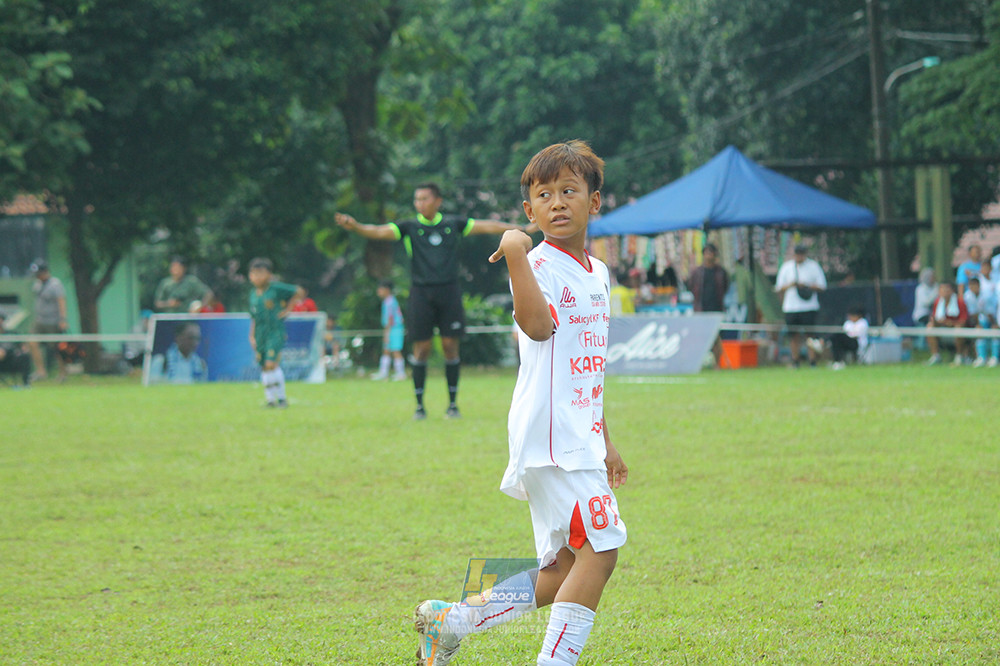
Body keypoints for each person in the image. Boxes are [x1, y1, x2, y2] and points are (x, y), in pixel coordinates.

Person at [413, 140, 629, 666]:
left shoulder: (598, 274)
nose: (557, 202)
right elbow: (537, 327)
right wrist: (513, 252)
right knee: (602, 552)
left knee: (562, 568)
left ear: (594, 201)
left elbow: (588, 364)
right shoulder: (534, 264)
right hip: (552, 438)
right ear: (529, 211)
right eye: (544, 195)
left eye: (569, 191)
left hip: (577, 437)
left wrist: (605, 439)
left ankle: (452, 620)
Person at [335, 183, 525, 420]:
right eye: (417, 199)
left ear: (438, 201)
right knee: (421, 349)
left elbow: (489, 225)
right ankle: (419, 406)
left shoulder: (452, 224)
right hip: (421, 294)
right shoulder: (409, 227)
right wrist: (356, 227)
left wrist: (522, 227)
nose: (419, 204)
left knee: (449, 347)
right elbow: (378, 231)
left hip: (449, 292)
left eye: (424, 198)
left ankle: (453, 405)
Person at [248, 258, 298, 407]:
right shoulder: (252, 294)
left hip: (275, 331)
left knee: (271, 363)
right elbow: (254, 317)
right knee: (264, 365)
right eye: (254, 273)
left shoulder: (275, 289)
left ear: (269, 275)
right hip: (260, 333)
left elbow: (298, 291)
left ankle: (282, 399)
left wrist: (287, 310)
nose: (257, 277)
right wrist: (251, 336)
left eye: (261, 273)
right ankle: (270, 400)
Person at [775, 244, 827, 367]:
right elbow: (778, 287)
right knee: (793, 335)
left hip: (809, 306)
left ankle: (812, 361)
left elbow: (822, 286)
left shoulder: (813, 266)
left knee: (810, 335)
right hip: (791, 307)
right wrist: (791, 285)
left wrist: (807, 285)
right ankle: (795, 360)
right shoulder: (787, 267)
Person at [687, 242, 729, 361]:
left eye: (711, 253)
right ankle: (698, 362)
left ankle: (717, 362)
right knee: (700, 336)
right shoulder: (697, 272)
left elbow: (725, 287)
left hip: (716, 307)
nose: (709, 256)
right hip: (701, 308)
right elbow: (691, 287)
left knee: (716, 336)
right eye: (706, 253)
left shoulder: (721, 272)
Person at [27, 261, 68, 381]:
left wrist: (63, 319)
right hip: (40, 320)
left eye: (38, 273)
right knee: (32, 342)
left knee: (57, 348)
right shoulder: (37, 284)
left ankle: (62, 374)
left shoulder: (55, 284)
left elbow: (61, 301)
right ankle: (41, 371)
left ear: (44, 272)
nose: (37, 276)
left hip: (53, 321)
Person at [926, 281, 968, 366]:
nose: (944, 292)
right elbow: (934, 318)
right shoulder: (938, 301)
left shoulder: (959, 302)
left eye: (946, 289)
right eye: (942, 289)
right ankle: (936, 356)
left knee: (958, 329)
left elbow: (963, 321)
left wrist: (951, 323)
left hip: (955, 331)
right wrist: (937, 322)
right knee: (929, 327)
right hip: (942, 330)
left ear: (952, 291)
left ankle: (959, 356)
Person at [372, 280, 407, 381]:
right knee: (386, 350)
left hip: (394, 328)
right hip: (391, 329)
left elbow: (390, 319)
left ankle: (401, 373)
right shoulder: (388, 301)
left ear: (387, 290)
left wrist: (387, 333)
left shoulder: (390, 302)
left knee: (395, 350)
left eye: (380, 289)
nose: (378, 291)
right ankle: (383, 372)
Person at [830, 304, 869, 370]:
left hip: (857, 343)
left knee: (840, 336)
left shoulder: (863, 323)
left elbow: (856, 336)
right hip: (846, 342)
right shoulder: (848, 323)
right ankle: (837, 361)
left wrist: (847, 336)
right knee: (836, 338)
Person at [0, 313, 32, 386]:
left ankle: (26, 383)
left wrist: (23, 350)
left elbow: (23, 346)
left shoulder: (12, 334)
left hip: (11, 360)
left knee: (25, 356)